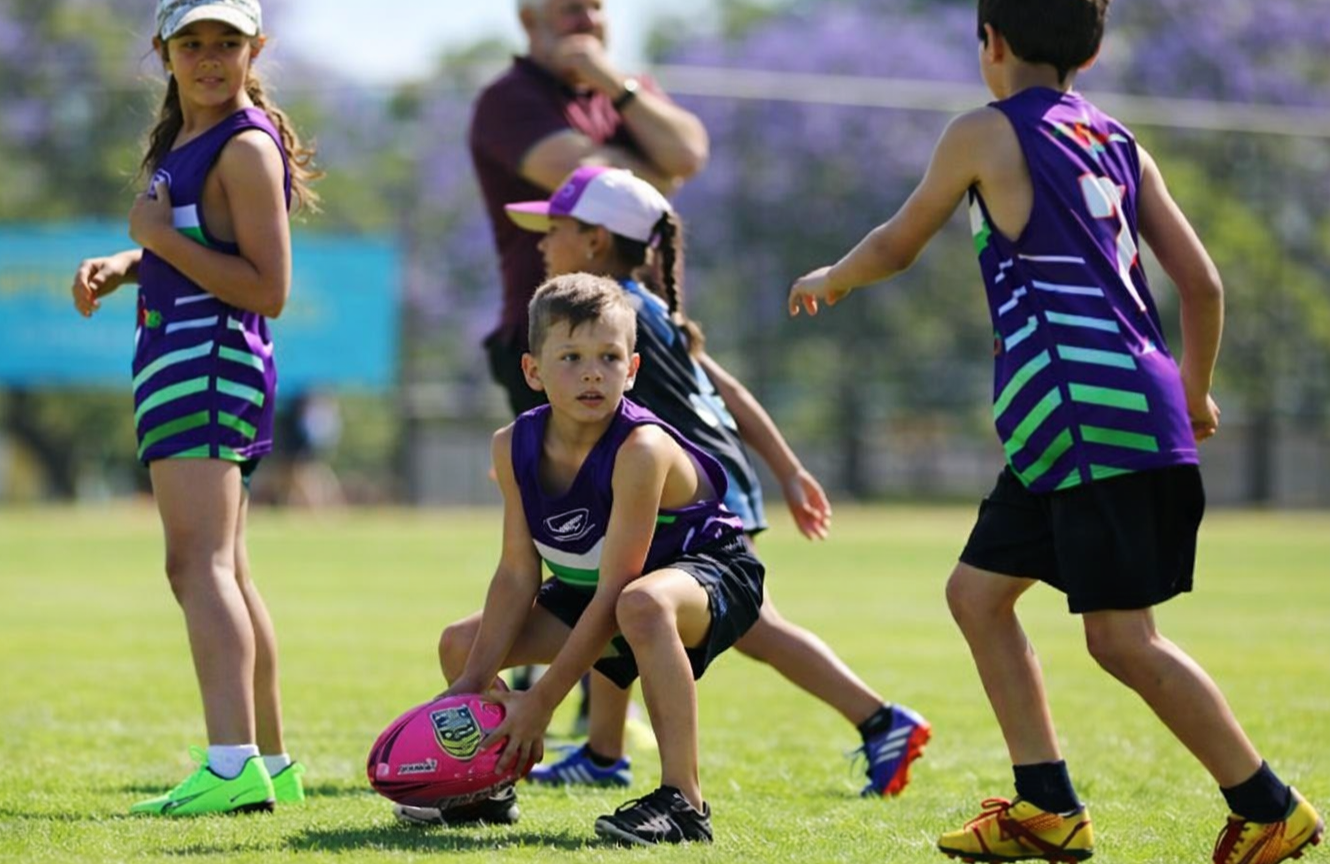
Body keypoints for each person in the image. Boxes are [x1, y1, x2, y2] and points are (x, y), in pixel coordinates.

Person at [787, 1, 1323, 861]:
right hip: (1084, 418)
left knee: (1120, 637)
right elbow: (1205, 286)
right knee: (978, 594)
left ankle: (1269, 808)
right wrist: (1193, 391)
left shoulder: (983, 133)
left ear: (990, 42)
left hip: (1082, 416)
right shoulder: (1119, 143)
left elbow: (897, 243)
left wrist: (834, 277)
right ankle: (1047, 806)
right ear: (1095, 47)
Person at [505, 165, 931, 796]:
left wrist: (786, 469)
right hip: (702, 479)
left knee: (748, 626)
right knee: (614, 597)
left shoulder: (605, 323)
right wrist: (786, 468)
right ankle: (602, 752)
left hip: (697, 496)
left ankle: (880, 719)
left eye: (555, 230)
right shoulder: (639, 310)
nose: (542, 243)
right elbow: (725, 389)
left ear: (595, 241)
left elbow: (712, 399)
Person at [394, 274, 764, 845]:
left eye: (609, 357)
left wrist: (542, 701)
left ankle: (684, 803)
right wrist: (470, 682)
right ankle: (488, 782)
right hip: (601, 590)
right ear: (532, 371)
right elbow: (519, 573)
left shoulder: (640, 449)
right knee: (460, 647)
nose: (593, 372)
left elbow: (620, 588)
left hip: (706, 573)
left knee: (641, 604)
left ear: (632, 370)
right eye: (570, 356)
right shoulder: (512, 444)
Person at [68, 0, 321, 816]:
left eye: (228, 43)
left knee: (197, 567)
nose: (210, 58)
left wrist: (159, 241)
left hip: (207, 360)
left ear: (257, 50)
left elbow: (268, 291)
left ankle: (230, 764)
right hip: (187, 358)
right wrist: (128, 260)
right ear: (163, 51)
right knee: (230, 572)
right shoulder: (186, 137)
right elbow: (191, 244)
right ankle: (269, 762)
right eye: (192, 43)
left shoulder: (244, 146)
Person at [470, 0, 710, 416]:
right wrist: (659, 174)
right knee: (581, 482)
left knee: (652, 477)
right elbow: (603, 182)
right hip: (558, 340)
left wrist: (613, 84)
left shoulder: (626, 91)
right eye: (571, 9)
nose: (590, 20)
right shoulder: (509, 100)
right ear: (530, 21)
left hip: (639, 334)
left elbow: (687, 153)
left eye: (597, 7)